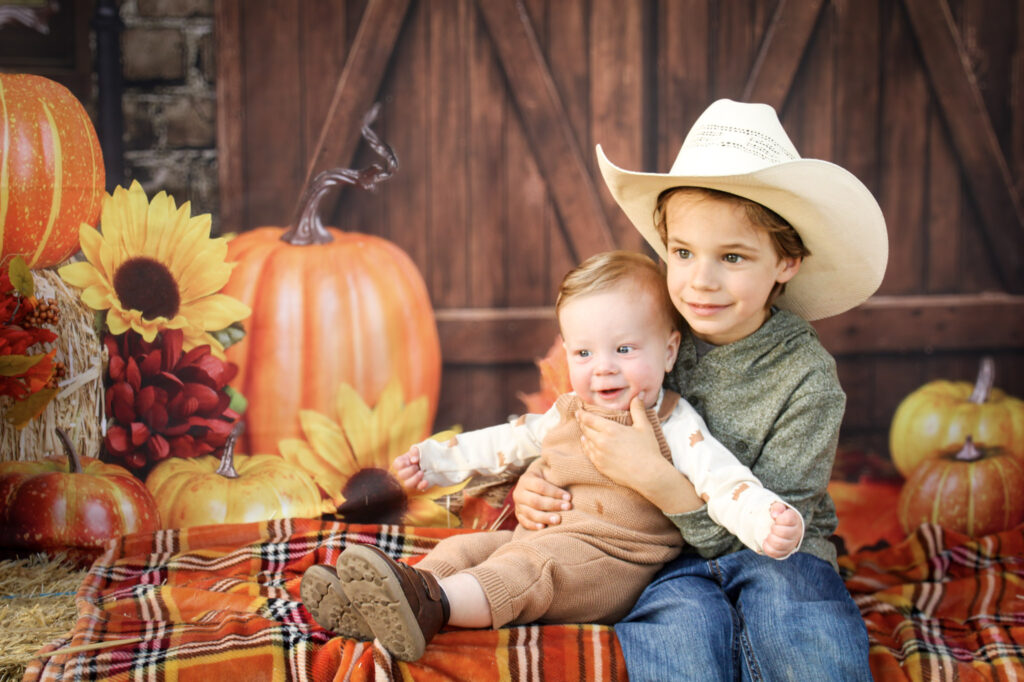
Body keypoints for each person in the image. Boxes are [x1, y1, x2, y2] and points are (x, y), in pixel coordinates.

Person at [513, 99, 886, 680]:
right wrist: (541, 480)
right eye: (682, 253)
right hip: (655, 554)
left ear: (785, 261)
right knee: (678, 639)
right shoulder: (643, 334)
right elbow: (581, 424)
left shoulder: (807, 380)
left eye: (732, 256)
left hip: (778, 558)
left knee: (803, 630)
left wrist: (663, 483)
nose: (700, 282)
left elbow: (775, 531)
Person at [300, 249, 804, 662]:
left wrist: (764, 519)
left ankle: (435, 606)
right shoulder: (568, 411)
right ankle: (392, 600)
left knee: (527, 567)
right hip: (542, 537)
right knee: (469, 550)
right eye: (583, 354)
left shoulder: (673, 422)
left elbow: (722, 479)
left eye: (625, 350)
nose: (602, 370)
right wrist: (435, 462)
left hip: (608, 565)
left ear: (669, 351)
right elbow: (503, 442)